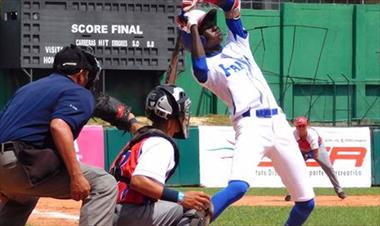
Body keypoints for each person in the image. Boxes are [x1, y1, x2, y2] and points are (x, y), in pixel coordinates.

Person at [177, 0, 315, 225]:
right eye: (208, 27)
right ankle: (196, 222)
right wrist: (192, 26)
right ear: (199, 39)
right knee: (239, 187)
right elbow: (200, 68)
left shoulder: (237, 45)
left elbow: (231, 6)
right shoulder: (206, 69)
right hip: (251, 127)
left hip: (279, 124)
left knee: (306, 203)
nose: (215, 27)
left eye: (212, 23)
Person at [0, 44, 117, 226]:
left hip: (7, 165)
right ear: (81, 74)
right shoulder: (78, 91)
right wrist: (76, 176)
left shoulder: (27, 89)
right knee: (104, 184)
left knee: (24, 196)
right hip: (20, 162)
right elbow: (59, 126)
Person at [111, 84, 212, 226]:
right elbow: (139, 181)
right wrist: (182, 197)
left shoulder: (145, 137)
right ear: (171, 119)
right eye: (183, 112)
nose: (185, 116)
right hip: (126, 213)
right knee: (197, 210)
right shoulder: (161, 144)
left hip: (112, 209)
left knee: (167, 202)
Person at [284, 116, 346, 201]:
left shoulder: (311, 134)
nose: (301, 128)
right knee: (295, 170)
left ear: (307, 125)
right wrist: (300, 158)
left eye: (303, 126)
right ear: (296, 127)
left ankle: (339, 190)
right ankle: (292, 193)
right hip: (301, 150)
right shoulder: (293, 135)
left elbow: (316, 153)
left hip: (318, 149)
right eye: (299, 126)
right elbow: (292, 149)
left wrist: (308, 156)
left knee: (328, 167)